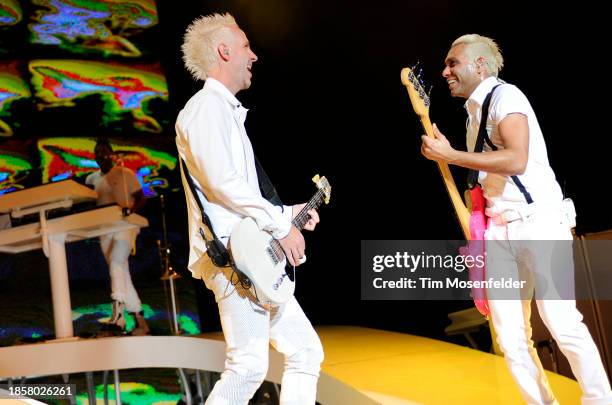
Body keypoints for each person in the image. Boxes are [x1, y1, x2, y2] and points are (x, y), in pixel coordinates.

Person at [420, 33, 612, 405]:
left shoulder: (506, 97)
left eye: (452, 62)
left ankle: (599, 400)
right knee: (510, 338)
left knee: (561, 323)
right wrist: (449, 158)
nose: (445, 71)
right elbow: (486, 179)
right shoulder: (473, 112)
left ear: (479, 65)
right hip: (499, 230)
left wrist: (453, 155)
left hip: (538, 221)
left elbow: (516, 159)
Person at [175, 13, 324, 405]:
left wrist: (288, 212)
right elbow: (221, 184)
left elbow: (237, 191)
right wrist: (280, 224)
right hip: (233, 259)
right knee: (248, 367)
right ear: (224, 51)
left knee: (306, 352)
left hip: (251, 255)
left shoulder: (224, 112)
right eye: (245, 46)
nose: (253, 56)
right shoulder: (206, 108)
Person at [86, 139, 150, 336]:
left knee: (116, 261)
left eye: (104, 152)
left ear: (112, 154)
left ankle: (118, 314)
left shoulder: (124, 173)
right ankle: (140, 321)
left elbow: (141, 196)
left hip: (125, 225)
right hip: (104, 229)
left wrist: (130, 211)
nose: (101, 156)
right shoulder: (91, 179)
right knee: (121, 270)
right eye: (98, 152)